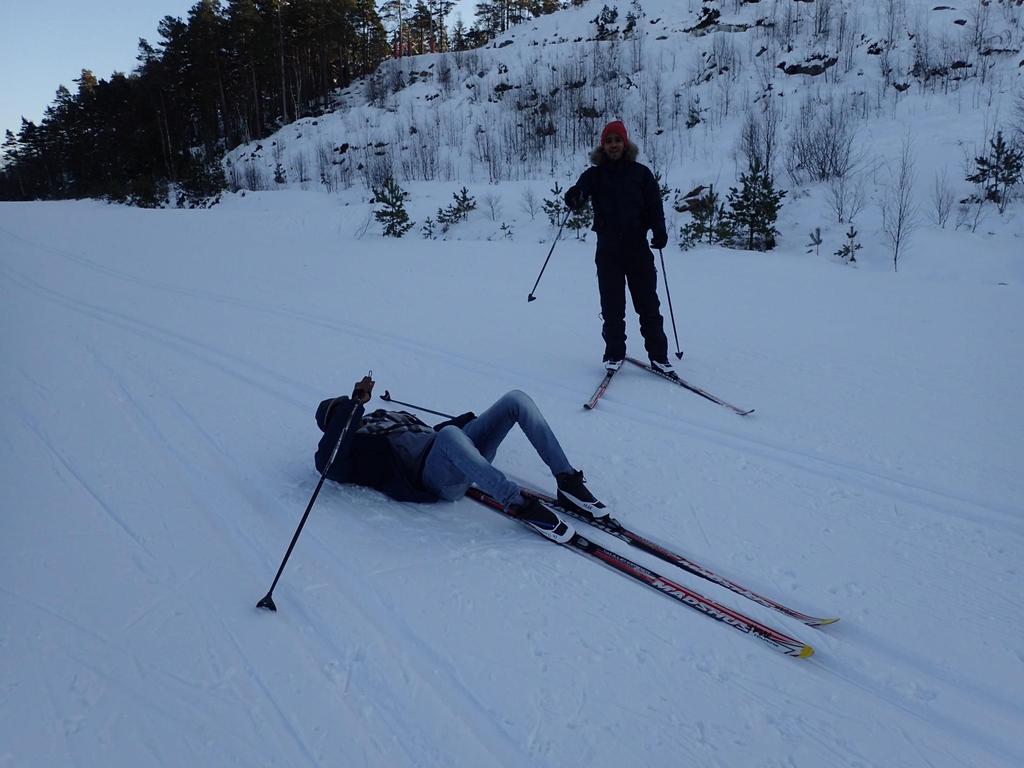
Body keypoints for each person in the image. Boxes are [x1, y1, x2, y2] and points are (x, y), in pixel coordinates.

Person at [314, 376, 608, 543]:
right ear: (338, 424)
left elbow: (435, 433)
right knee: (451, 436)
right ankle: (517, 504)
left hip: (454, 450)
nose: (356, 412)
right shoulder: (352, 451)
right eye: (344, 413)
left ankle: (566, 480)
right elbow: (327, 462)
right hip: (436, 478)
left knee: (516, 400)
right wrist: (352, 405)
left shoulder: (385, 417)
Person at [564, 120, 676, 376]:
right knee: (612, 305)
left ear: (625, 144)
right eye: (608, 141)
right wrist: (573, 196)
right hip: (608, 251)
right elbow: (579, 193)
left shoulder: (641, 174)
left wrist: (659, 231)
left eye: (617, 140)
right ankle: (614, 353)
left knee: (648, 304)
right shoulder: (594, 174)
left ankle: (659, 357)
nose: (613, 145)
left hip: (637, 248)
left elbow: (654, 207)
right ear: (603, 146)